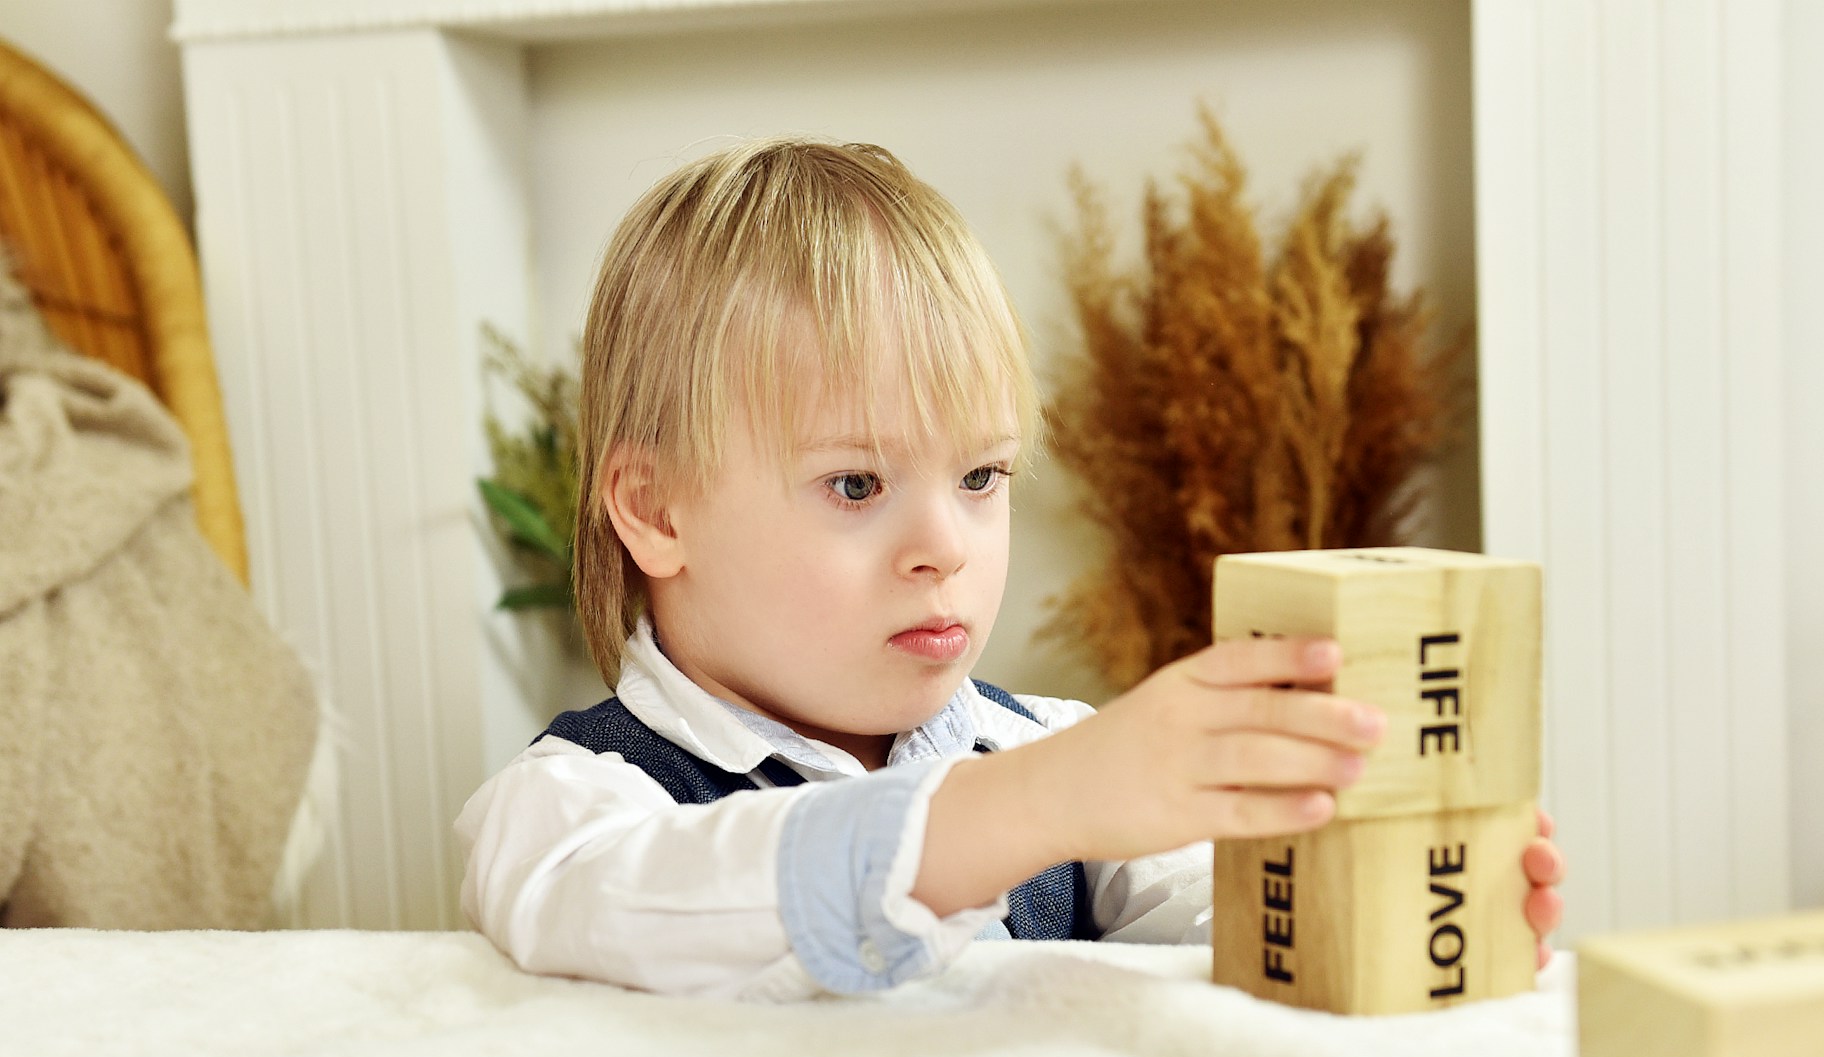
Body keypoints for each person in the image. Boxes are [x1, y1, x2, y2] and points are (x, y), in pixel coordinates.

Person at [456, 136, 1566, 1001]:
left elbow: (1204, 931)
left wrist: (1374, 898)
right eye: (856, 484)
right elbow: (664, 899)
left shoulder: (1039, 744)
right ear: (655, 511)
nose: (945, 545)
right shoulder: (568, 804)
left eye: (982, 477)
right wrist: (1042, 803)